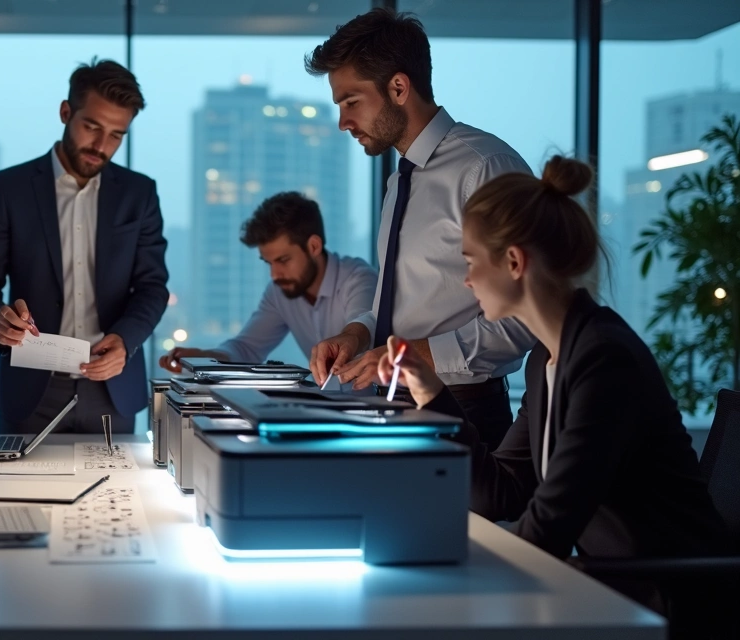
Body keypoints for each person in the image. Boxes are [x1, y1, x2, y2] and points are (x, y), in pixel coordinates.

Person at [374, 156, 732, 629]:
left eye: (470, 262)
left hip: (667, 602)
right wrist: (432, 392)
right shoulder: (547, 360)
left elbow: (548, 527)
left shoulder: (605, 360)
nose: (467, 280)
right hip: (610, 589)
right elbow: (501, 492)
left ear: (514, 262)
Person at [304, 8, 535, 449]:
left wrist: (408, 358)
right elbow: (403, 305)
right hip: (393, 405)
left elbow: (524, 320)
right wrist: (358, 334)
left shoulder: (485, 168)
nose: (343, 123)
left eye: (351, 102)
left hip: (465, 412)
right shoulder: (400, 180)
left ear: (398, 87)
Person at [0, 59, 168, 435]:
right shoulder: (11, 189)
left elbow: (153, 287)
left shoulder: (140, 194)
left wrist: (126, 340)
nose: (101, 146)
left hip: (113, 388)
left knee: (118, 495)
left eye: (116, 135)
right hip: (29, 389)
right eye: (92, 127)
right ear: (65, 112)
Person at [159, 192, 376, 391]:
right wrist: (206, 356)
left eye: (283, 260)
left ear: (314, 246)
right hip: (327, 410)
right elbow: (247, 348)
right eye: (268, 262)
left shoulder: (358, 278)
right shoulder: (280, 291)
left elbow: (362, 330)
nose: (274, 274)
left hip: (377, 411)